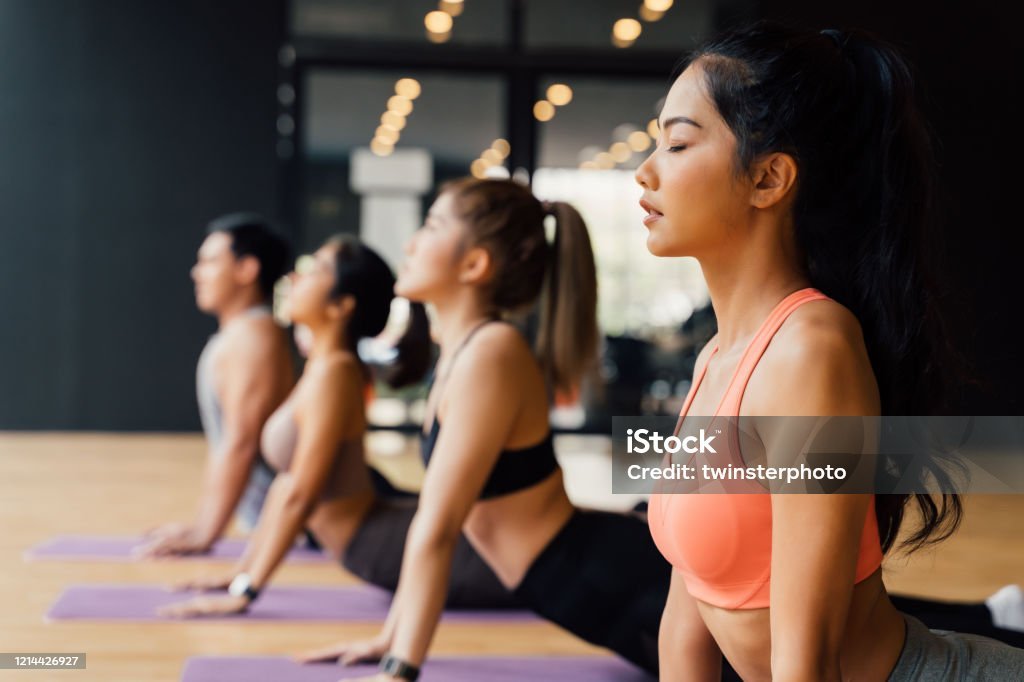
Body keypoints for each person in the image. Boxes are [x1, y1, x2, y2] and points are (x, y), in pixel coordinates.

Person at [637, 22, 1024, 680]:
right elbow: (685, 628)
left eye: (677, 142)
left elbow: (806, 658)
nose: (645, 171)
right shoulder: (713, 363)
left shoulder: (810, 351)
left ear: (769, 178)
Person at [298, 179, 674, 680]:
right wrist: (388, 641)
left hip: (607, 577)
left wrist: (400, 669)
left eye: (431, 226)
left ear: (474, 265)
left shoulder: (491, 352)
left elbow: (438, 528)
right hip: (575, 588)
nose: (410, 244)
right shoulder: (462, 352)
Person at [159, 235, 516, 617]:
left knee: (530, 555)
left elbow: (302, 494)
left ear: (341, 306)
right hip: (376, 540)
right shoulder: (322, 367)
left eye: (315, 272)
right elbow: (285, 485)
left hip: (380, 547)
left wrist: (245, 594)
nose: (296, 279)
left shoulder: (336, 374)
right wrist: (239, 573)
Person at [141, 213, 294, 556]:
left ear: (246, 269)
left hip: (309, 529)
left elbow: (242, 442)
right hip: (276, 524)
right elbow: (225, 444)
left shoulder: (254, 336)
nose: (197, 273)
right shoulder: (240, 334)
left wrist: (206, 535)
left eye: (210, 262)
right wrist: (201, 524)